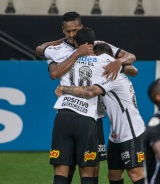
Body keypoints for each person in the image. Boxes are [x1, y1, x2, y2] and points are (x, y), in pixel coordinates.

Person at [35, 11, 136, 184]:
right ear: (63, 31)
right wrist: (71, 48)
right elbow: (42, 54)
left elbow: (131, 61)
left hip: (94, 114)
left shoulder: (100, 46)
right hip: (82, 114)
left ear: (81, 28)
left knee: (92, 164)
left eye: (75, 31)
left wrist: (117, 63)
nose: (72, 35)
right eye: (68, 32)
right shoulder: (59, 50)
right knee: (73, 164)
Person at [54, 28, 145, 184]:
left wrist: (64, 89)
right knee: (114, 174)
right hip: (116, 133)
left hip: (130, 130)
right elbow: (134, 70)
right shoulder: (112, 68)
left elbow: (91, 91)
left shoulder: (110, 72)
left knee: (135, 173)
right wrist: (120, 63)